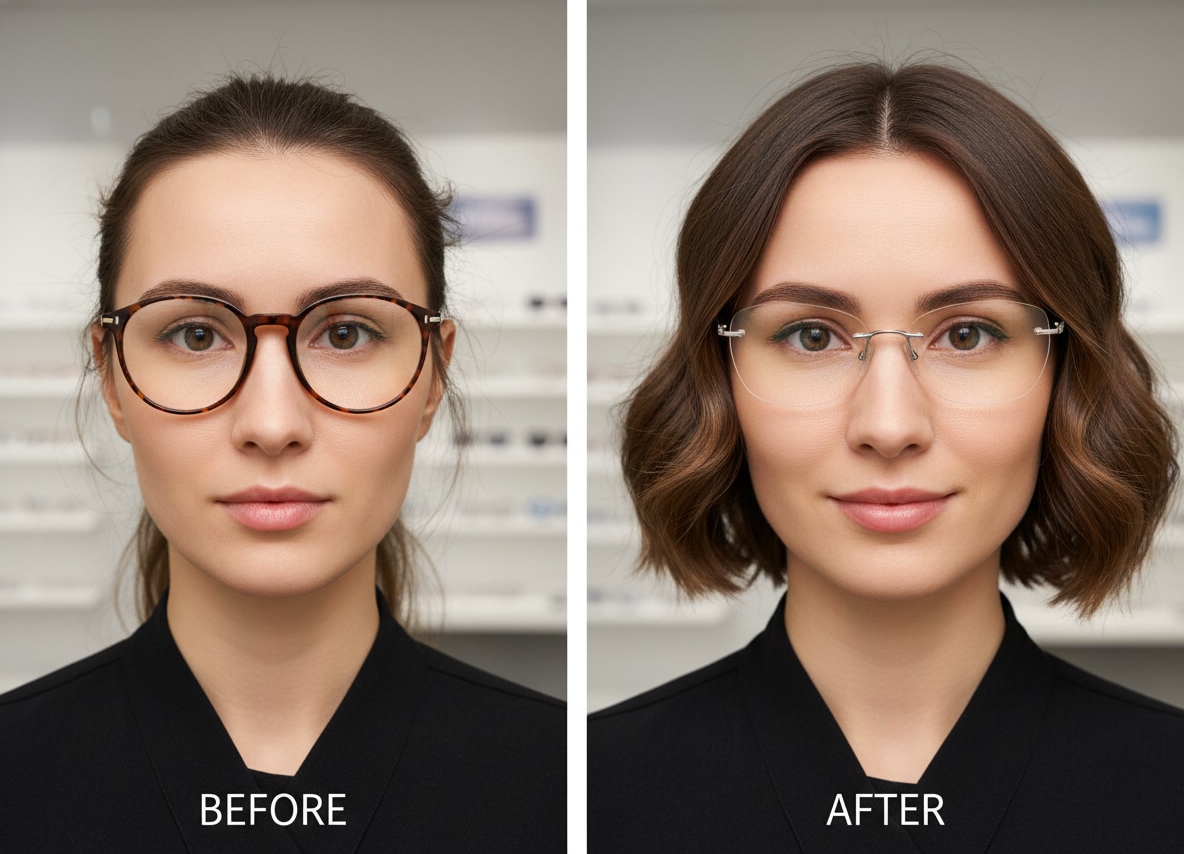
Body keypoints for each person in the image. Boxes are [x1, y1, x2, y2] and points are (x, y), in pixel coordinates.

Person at [589, 60, 1184, 852]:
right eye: (811, 335)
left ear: (1069, 380)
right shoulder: (586, 797)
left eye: (968, 334)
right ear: (717, 382)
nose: (890, 423)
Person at [0, 74, 564, 852]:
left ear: (434, 375)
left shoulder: (574, 792)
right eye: (196, 334)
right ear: (112, 378)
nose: (272, 423)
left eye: (345, 333)